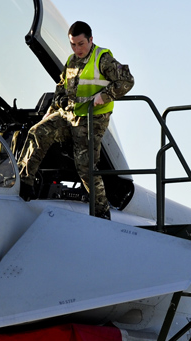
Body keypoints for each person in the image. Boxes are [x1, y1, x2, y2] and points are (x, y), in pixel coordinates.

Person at [17, 21, 134, 219]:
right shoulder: (71, 61)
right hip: (69, 115)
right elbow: (61, 87)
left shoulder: (103, 59)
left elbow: (127, 81)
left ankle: (101, 212)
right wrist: (54, 106)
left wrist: (104, 96)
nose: (77, 49)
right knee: (37, 132)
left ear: (90, 40)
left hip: (92, 118)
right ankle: (24, 185)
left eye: (81, 44)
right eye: (73, 44)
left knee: (85, 165)